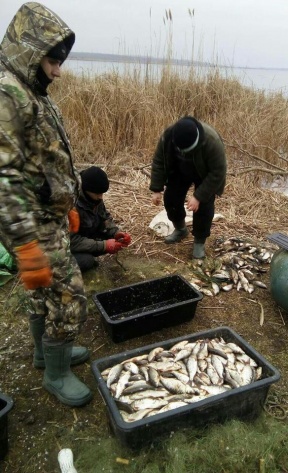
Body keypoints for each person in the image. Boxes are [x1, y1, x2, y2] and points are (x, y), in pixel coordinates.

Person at [0, 2, 92, 407]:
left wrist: (66, 200)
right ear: (29, 50)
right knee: (71, 298)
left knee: (43, 295)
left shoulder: (31, 88)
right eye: (52, 60)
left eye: (60, 61)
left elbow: (44, 157)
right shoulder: (8, 94)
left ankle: (44, 354)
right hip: (32, 225)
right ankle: (56, 374)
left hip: (48, 218)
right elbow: (3, 178)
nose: (58, 70)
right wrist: (24, 245)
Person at [150, 116, 227, 258]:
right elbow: (159, 160)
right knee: (171, 199)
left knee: (204, 206)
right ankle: (180, 229)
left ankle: (199, 242)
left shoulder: (211, 141)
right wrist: (156, 188)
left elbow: (218, 172)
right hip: (180, 169)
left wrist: (198, 196)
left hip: (204, 173)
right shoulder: (169, 135)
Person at [70, 166, 131, 272]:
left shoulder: (94, 198)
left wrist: (115, 232)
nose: (101, 197)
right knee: (86, 261)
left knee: (109, 239)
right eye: (98, 194)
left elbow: (105, 217)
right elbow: (71, 241)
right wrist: (104, 246)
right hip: (66, 246)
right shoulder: (70, 204)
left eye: (102, 193)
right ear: (85, 189)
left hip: (85, 236)